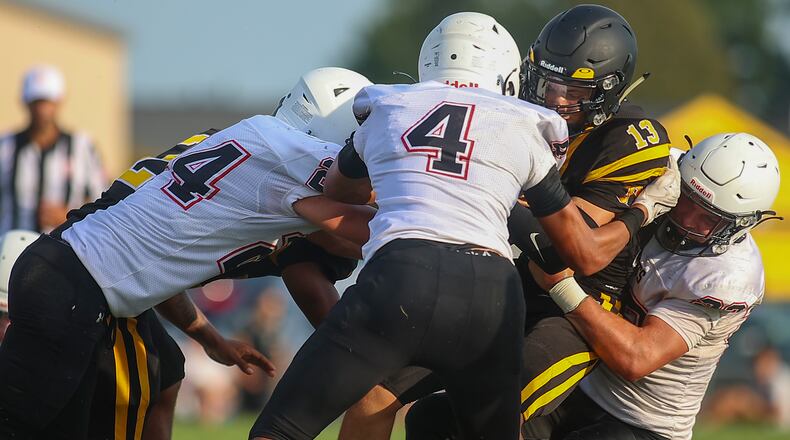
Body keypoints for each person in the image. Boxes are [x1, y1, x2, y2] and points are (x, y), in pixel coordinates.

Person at [249, 12, 680, 440]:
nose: (554, 98)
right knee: (372, 397)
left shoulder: (631, 138)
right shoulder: (513, 111)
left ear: (608, 91)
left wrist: (448, 191)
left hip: (571, 305)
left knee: (508, 411)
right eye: (548, 82)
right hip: (497, 278)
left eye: (573, 90)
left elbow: (566, 243)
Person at [0, 67, 375, 439]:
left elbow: (156, 265)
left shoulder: (252, 137)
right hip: (77, 286)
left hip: (67, 272)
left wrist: (210, 339)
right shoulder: (290, 157)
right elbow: (361, 221)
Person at [517, 133, 781, 440]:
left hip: (643, 422)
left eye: (709, 218)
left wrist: (562, 286)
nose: (687, 220)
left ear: (741, 224)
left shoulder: (727, 275)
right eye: (688, 200)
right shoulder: (666, 172)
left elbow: (636, 358)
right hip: (583, 385)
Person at [0, 65, 106, 234]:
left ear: (59, 101)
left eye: (47, 102)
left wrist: (69, 216)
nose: (42, 110)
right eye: (37, 102)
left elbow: (101, 201)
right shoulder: (5, 146)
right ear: (25, 102)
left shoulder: (83, 147)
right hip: (11, 249)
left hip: (64, 249)